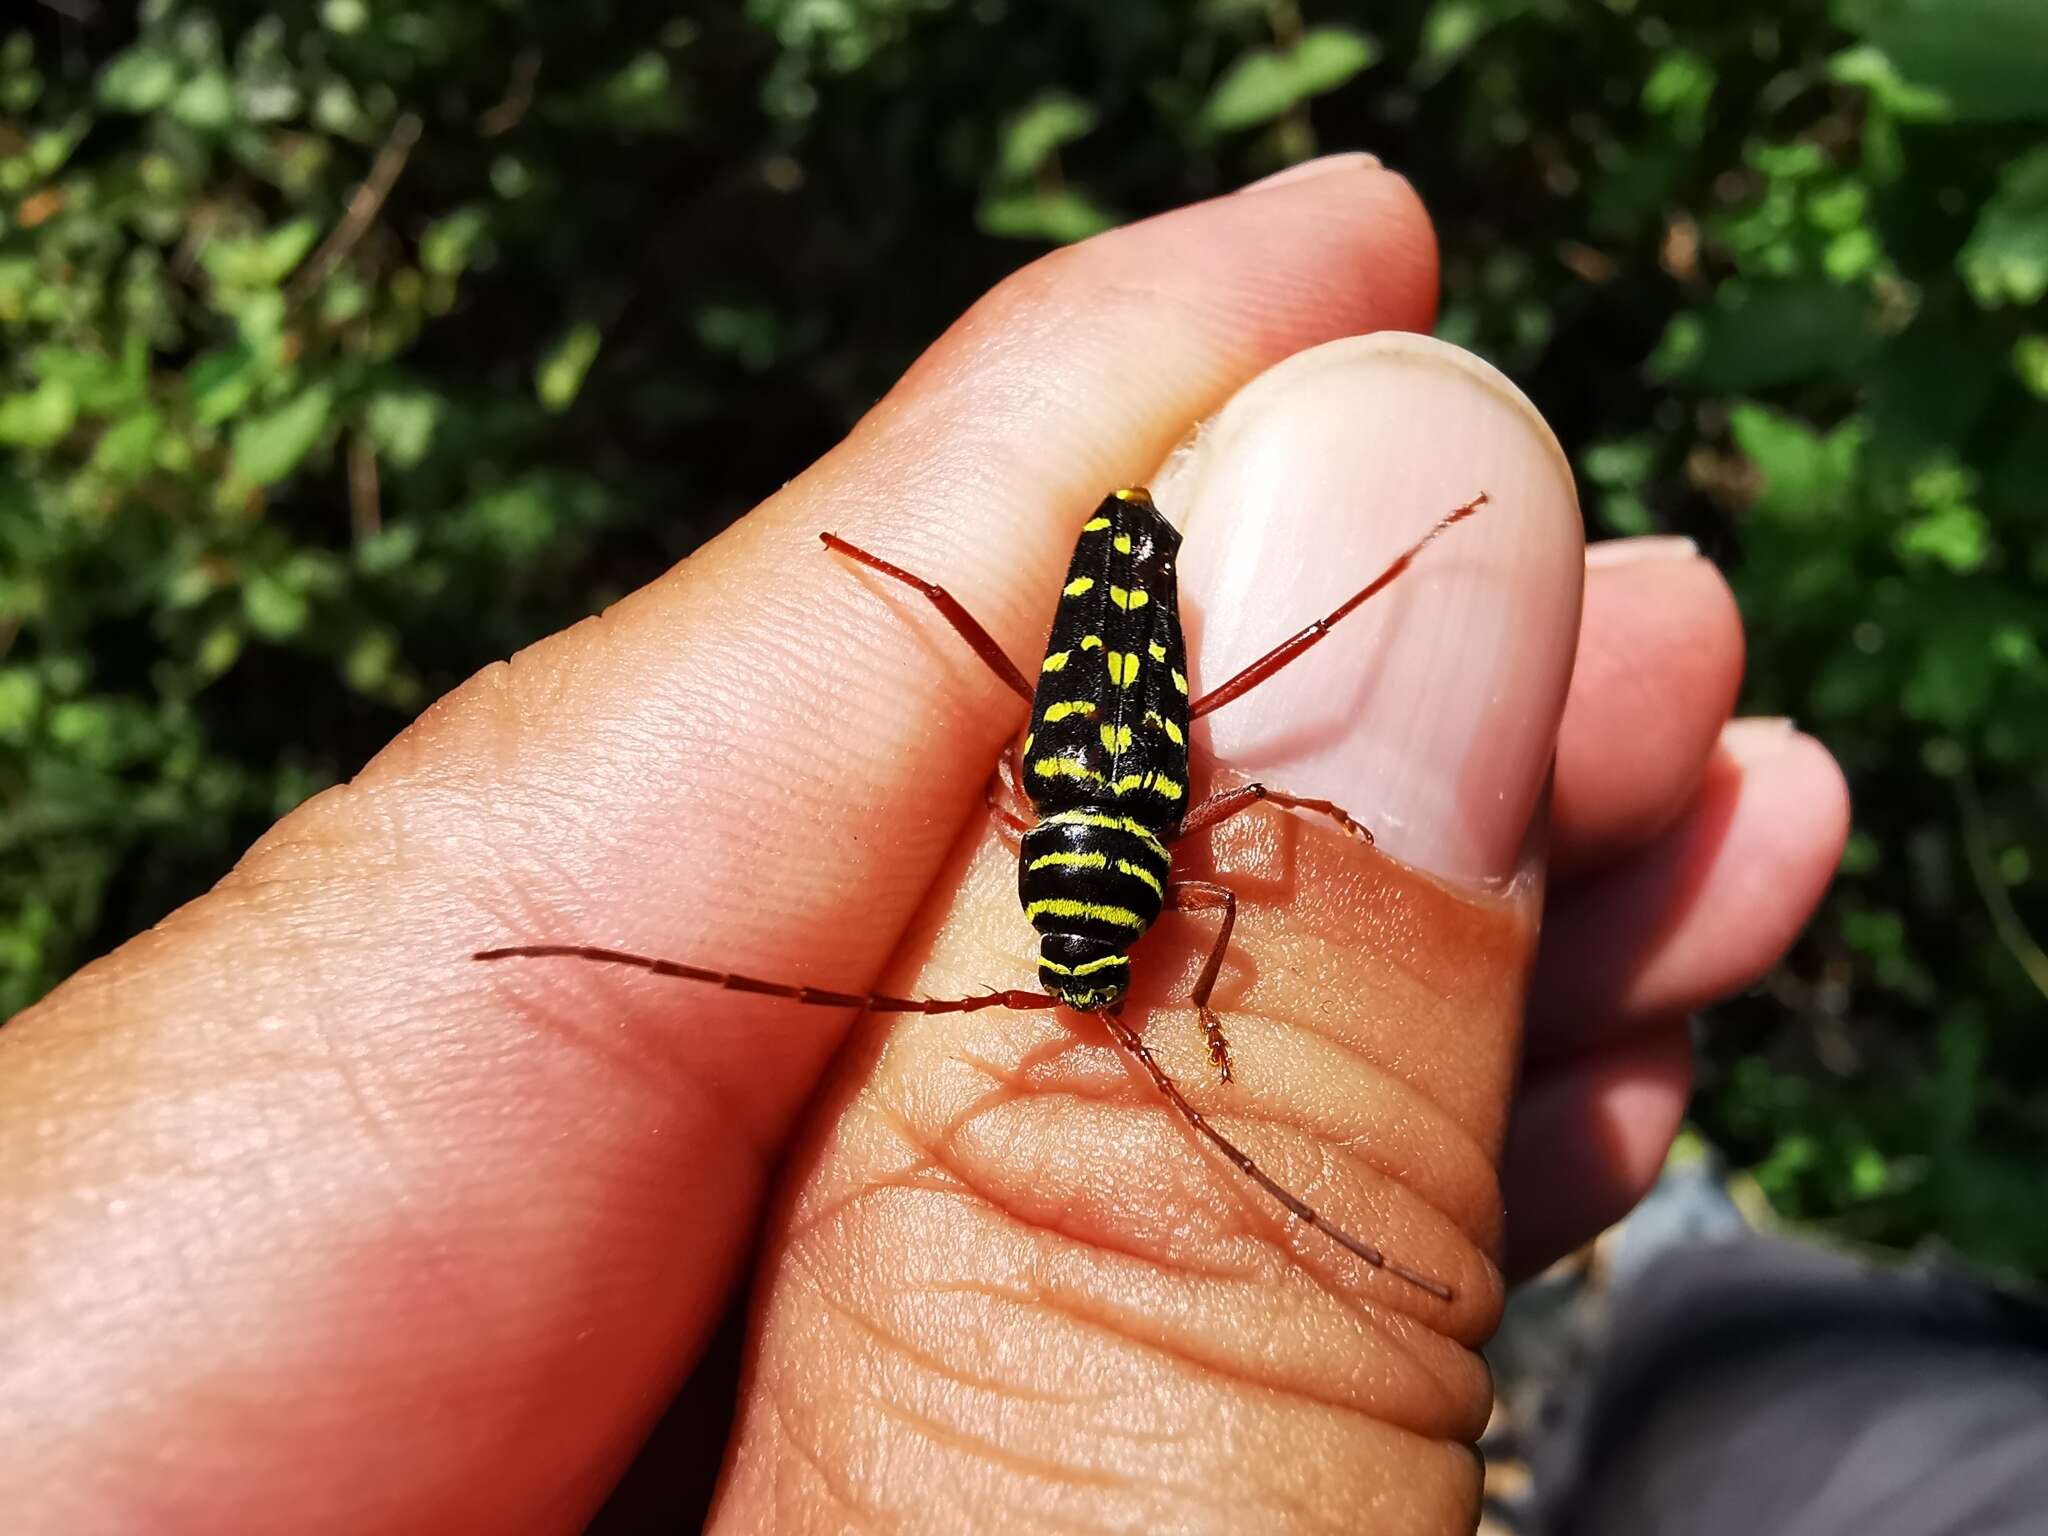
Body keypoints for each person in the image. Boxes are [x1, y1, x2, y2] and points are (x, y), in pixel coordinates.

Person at [0, 154, 1846, 1533]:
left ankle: (1669, 1289)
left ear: (1065, 905)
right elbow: (1181, 838)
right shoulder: (1118, 880)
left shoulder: (1101, 866)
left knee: (1219, 716)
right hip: (1128, 720)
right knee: (1232, 734)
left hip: (1120, 699)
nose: (1085, 977)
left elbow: (1121, 825)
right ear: (1079, 917)